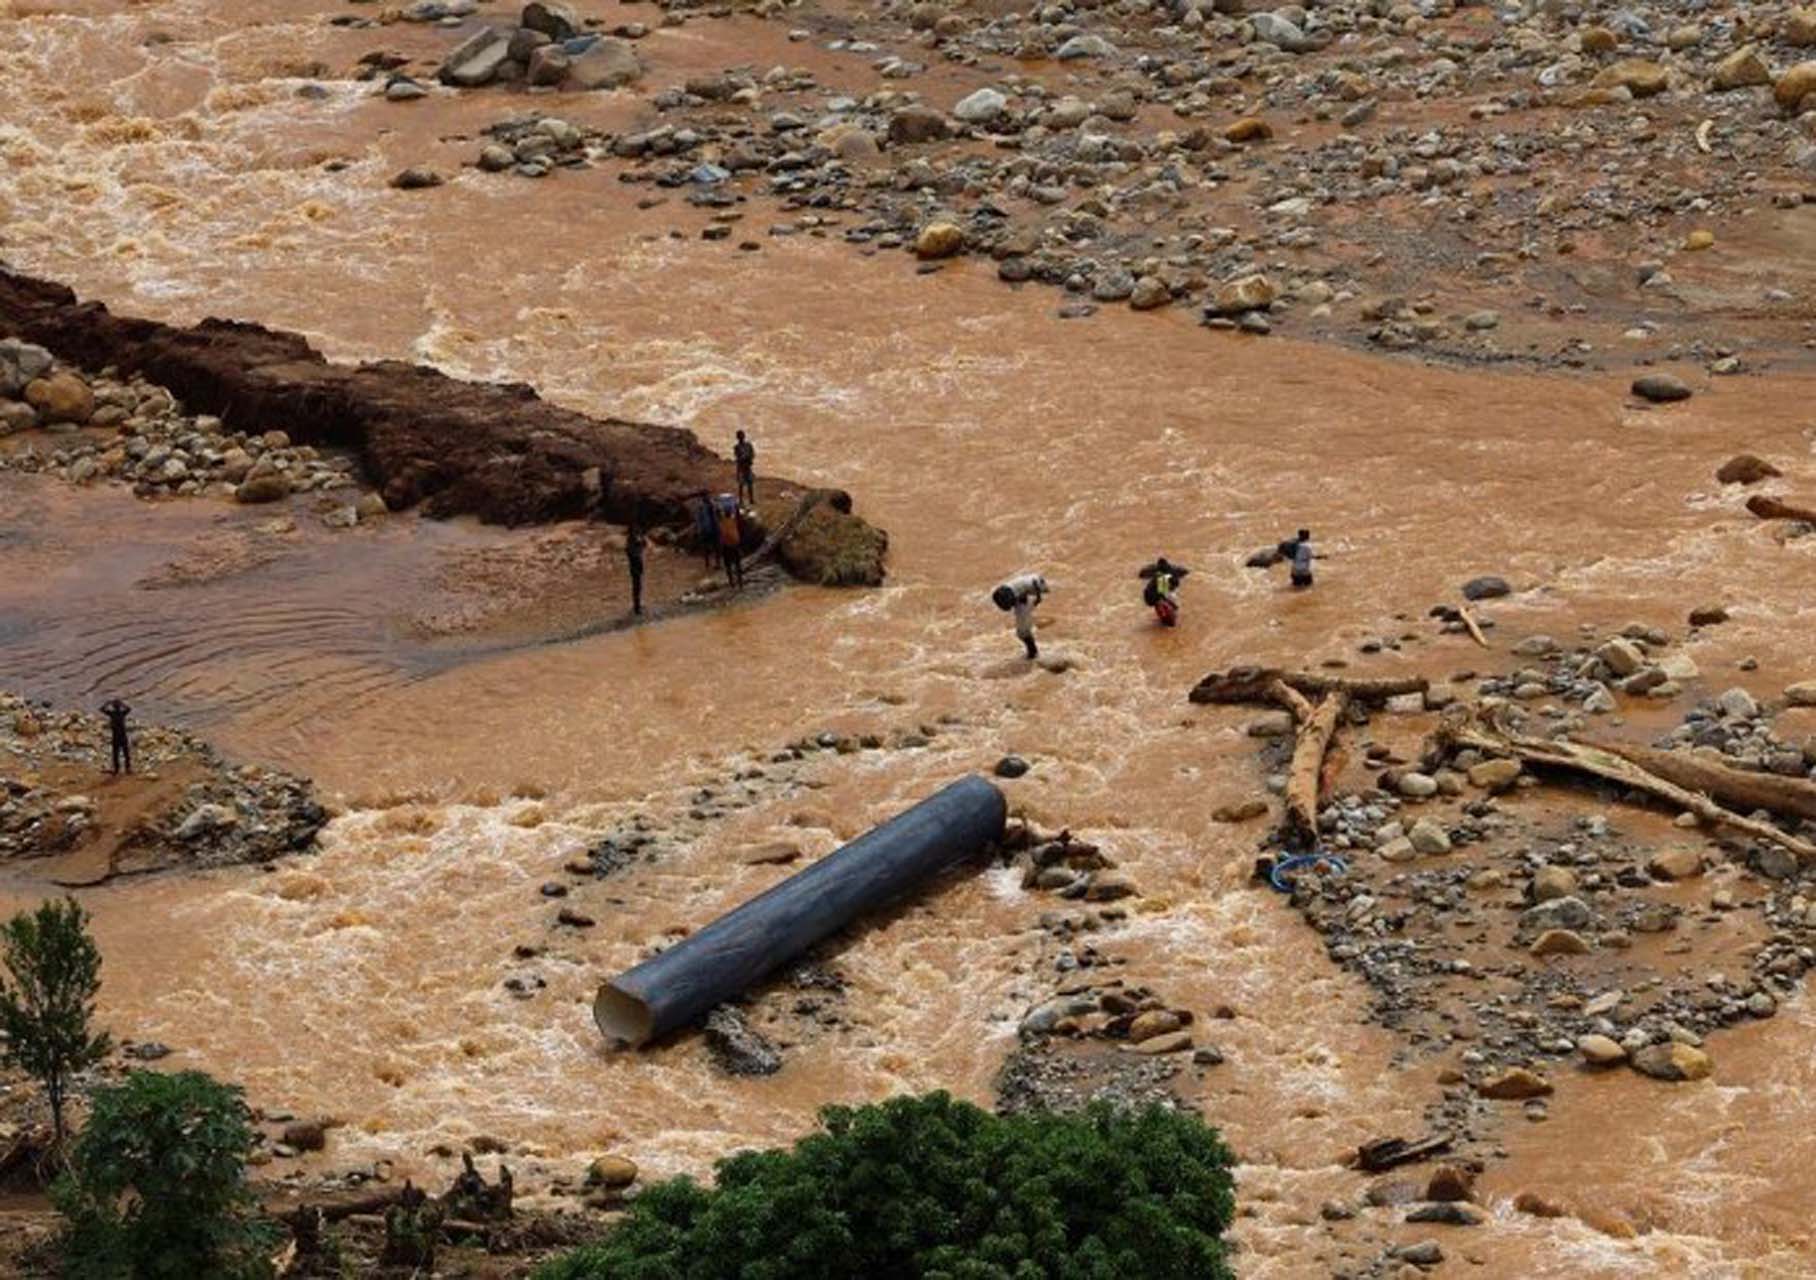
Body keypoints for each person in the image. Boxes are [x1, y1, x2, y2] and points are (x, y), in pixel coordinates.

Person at [992, 572, 1048, 659]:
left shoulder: (1027, 589)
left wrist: (1037, 597)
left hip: (1013, 593)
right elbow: (1033, 584)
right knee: (1023, 631)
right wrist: (1037, 597)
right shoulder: (1023, 587)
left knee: (1023, 633)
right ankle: (1033, 653)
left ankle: (1033, 654)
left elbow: (1034, 585)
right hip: (1016, 594)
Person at [1139, 557, 1189, 626]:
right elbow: (1161, 596)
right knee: (1164, 602)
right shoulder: (1163, 577)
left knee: (1166, 602)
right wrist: (1172, 605)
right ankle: (1166, 616)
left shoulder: (1162, 576)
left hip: (1152, 595)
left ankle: (1166, 616)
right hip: (1152, 596)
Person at [716, 493, 745, 589]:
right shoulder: (733, 521)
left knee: (728, 565)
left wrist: (718, 507)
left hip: (726, 546)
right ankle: (740, 583)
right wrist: (736, 506)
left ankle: (732, 583)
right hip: (735, 545)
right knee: (737, 565)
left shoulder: (722, 522)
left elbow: (717, 515)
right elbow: (738, 516)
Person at [100, 698, 132, 775]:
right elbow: (129, 708)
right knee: (125, 753)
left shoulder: (112, 714)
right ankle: (127, 768)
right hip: (123, 735)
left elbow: (101, 709)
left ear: (113, 707)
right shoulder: (122, 713)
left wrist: (107, 703)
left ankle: (117, 769)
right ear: (119, 707)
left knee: (116, 754)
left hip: (116, 736)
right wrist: (122, 704)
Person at [625, 519, 646, 616]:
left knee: (638, 586)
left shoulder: (635, 541)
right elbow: (632, 553)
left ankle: (638, 605)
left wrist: (641, 540)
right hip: (634, 566)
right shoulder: (630, 543)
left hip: (638, 564)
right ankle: (636, 607)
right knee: (636, 587)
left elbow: (644, 545)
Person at [693, 493, 718, 569]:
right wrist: (699, 529)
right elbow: (698, 519)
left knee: (715, 547)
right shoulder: (701, 507)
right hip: (707, 529)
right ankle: (708, 563)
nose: (708, 498)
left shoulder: (711, 505)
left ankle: (715, 563)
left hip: (712, 528)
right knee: (708, 547)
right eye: (706, 496)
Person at [733, 430, 756, 507]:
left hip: (747, 467)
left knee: (750, 484)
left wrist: (747, 457)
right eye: (740, 436)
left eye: (742, 435)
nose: (741, 437)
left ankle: (751, 499)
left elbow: (752, 454)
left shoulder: (748, 445)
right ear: (738, 437)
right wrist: (746, 457)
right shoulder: (737, 447)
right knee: (741, 485)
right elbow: (738, 456)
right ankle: (741, 500)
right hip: (741, 467)